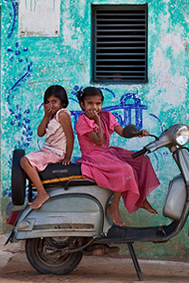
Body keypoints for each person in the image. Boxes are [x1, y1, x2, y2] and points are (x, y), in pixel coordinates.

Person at [75, 87, 160, 226]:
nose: (94, 107)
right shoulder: (82, 121)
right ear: (82, 105)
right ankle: (113, 206)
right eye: (90, 103)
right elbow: (98, 141)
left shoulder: (107, 116)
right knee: (125, 169)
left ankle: (141, 198)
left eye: (98, 104)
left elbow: (121, 132)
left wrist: (136, 133)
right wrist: (96, 120)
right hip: (93, 157)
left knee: (142, 159)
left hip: (108, 153)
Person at [20, 85, 74, 209]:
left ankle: (42, 193)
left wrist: (67, 157)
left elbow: (70, 137)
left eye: (54, 102)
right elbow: (40, 133)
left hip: (56, 153)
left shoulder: (62, 114)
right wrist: (45, 116)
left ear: (63, 103)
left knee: (24, 161)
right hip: (48, 150)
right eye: (48, 102)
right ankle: (41, 191)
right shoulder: (50, 116)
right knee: (25, 160)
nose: (51, 105)